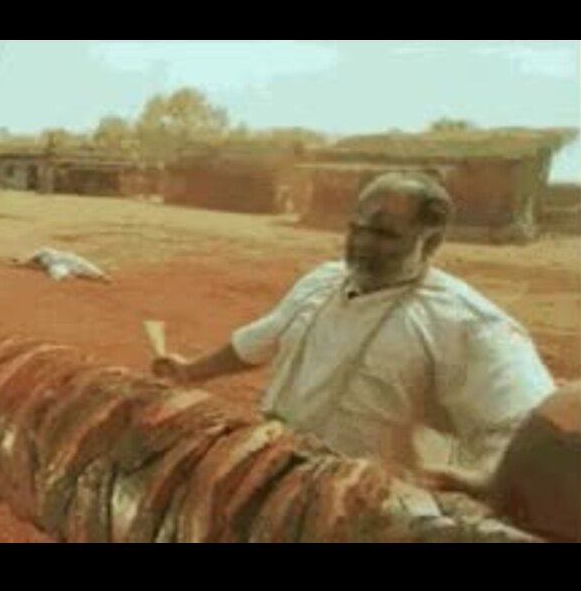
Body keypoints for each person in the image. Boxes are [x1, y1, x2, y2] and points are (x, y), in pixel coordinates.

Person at [152, 171, 555, 484]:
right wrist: (191, 371)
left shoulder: (467, 324)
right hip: (276, 479)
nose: (361, 244)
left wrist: (488, 479)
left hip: (365, 508)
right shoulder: (321, 282)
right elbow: (261, 341)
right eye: (356, 228)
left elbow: (533, 427)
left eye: (383, 234)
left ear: (431, 241)